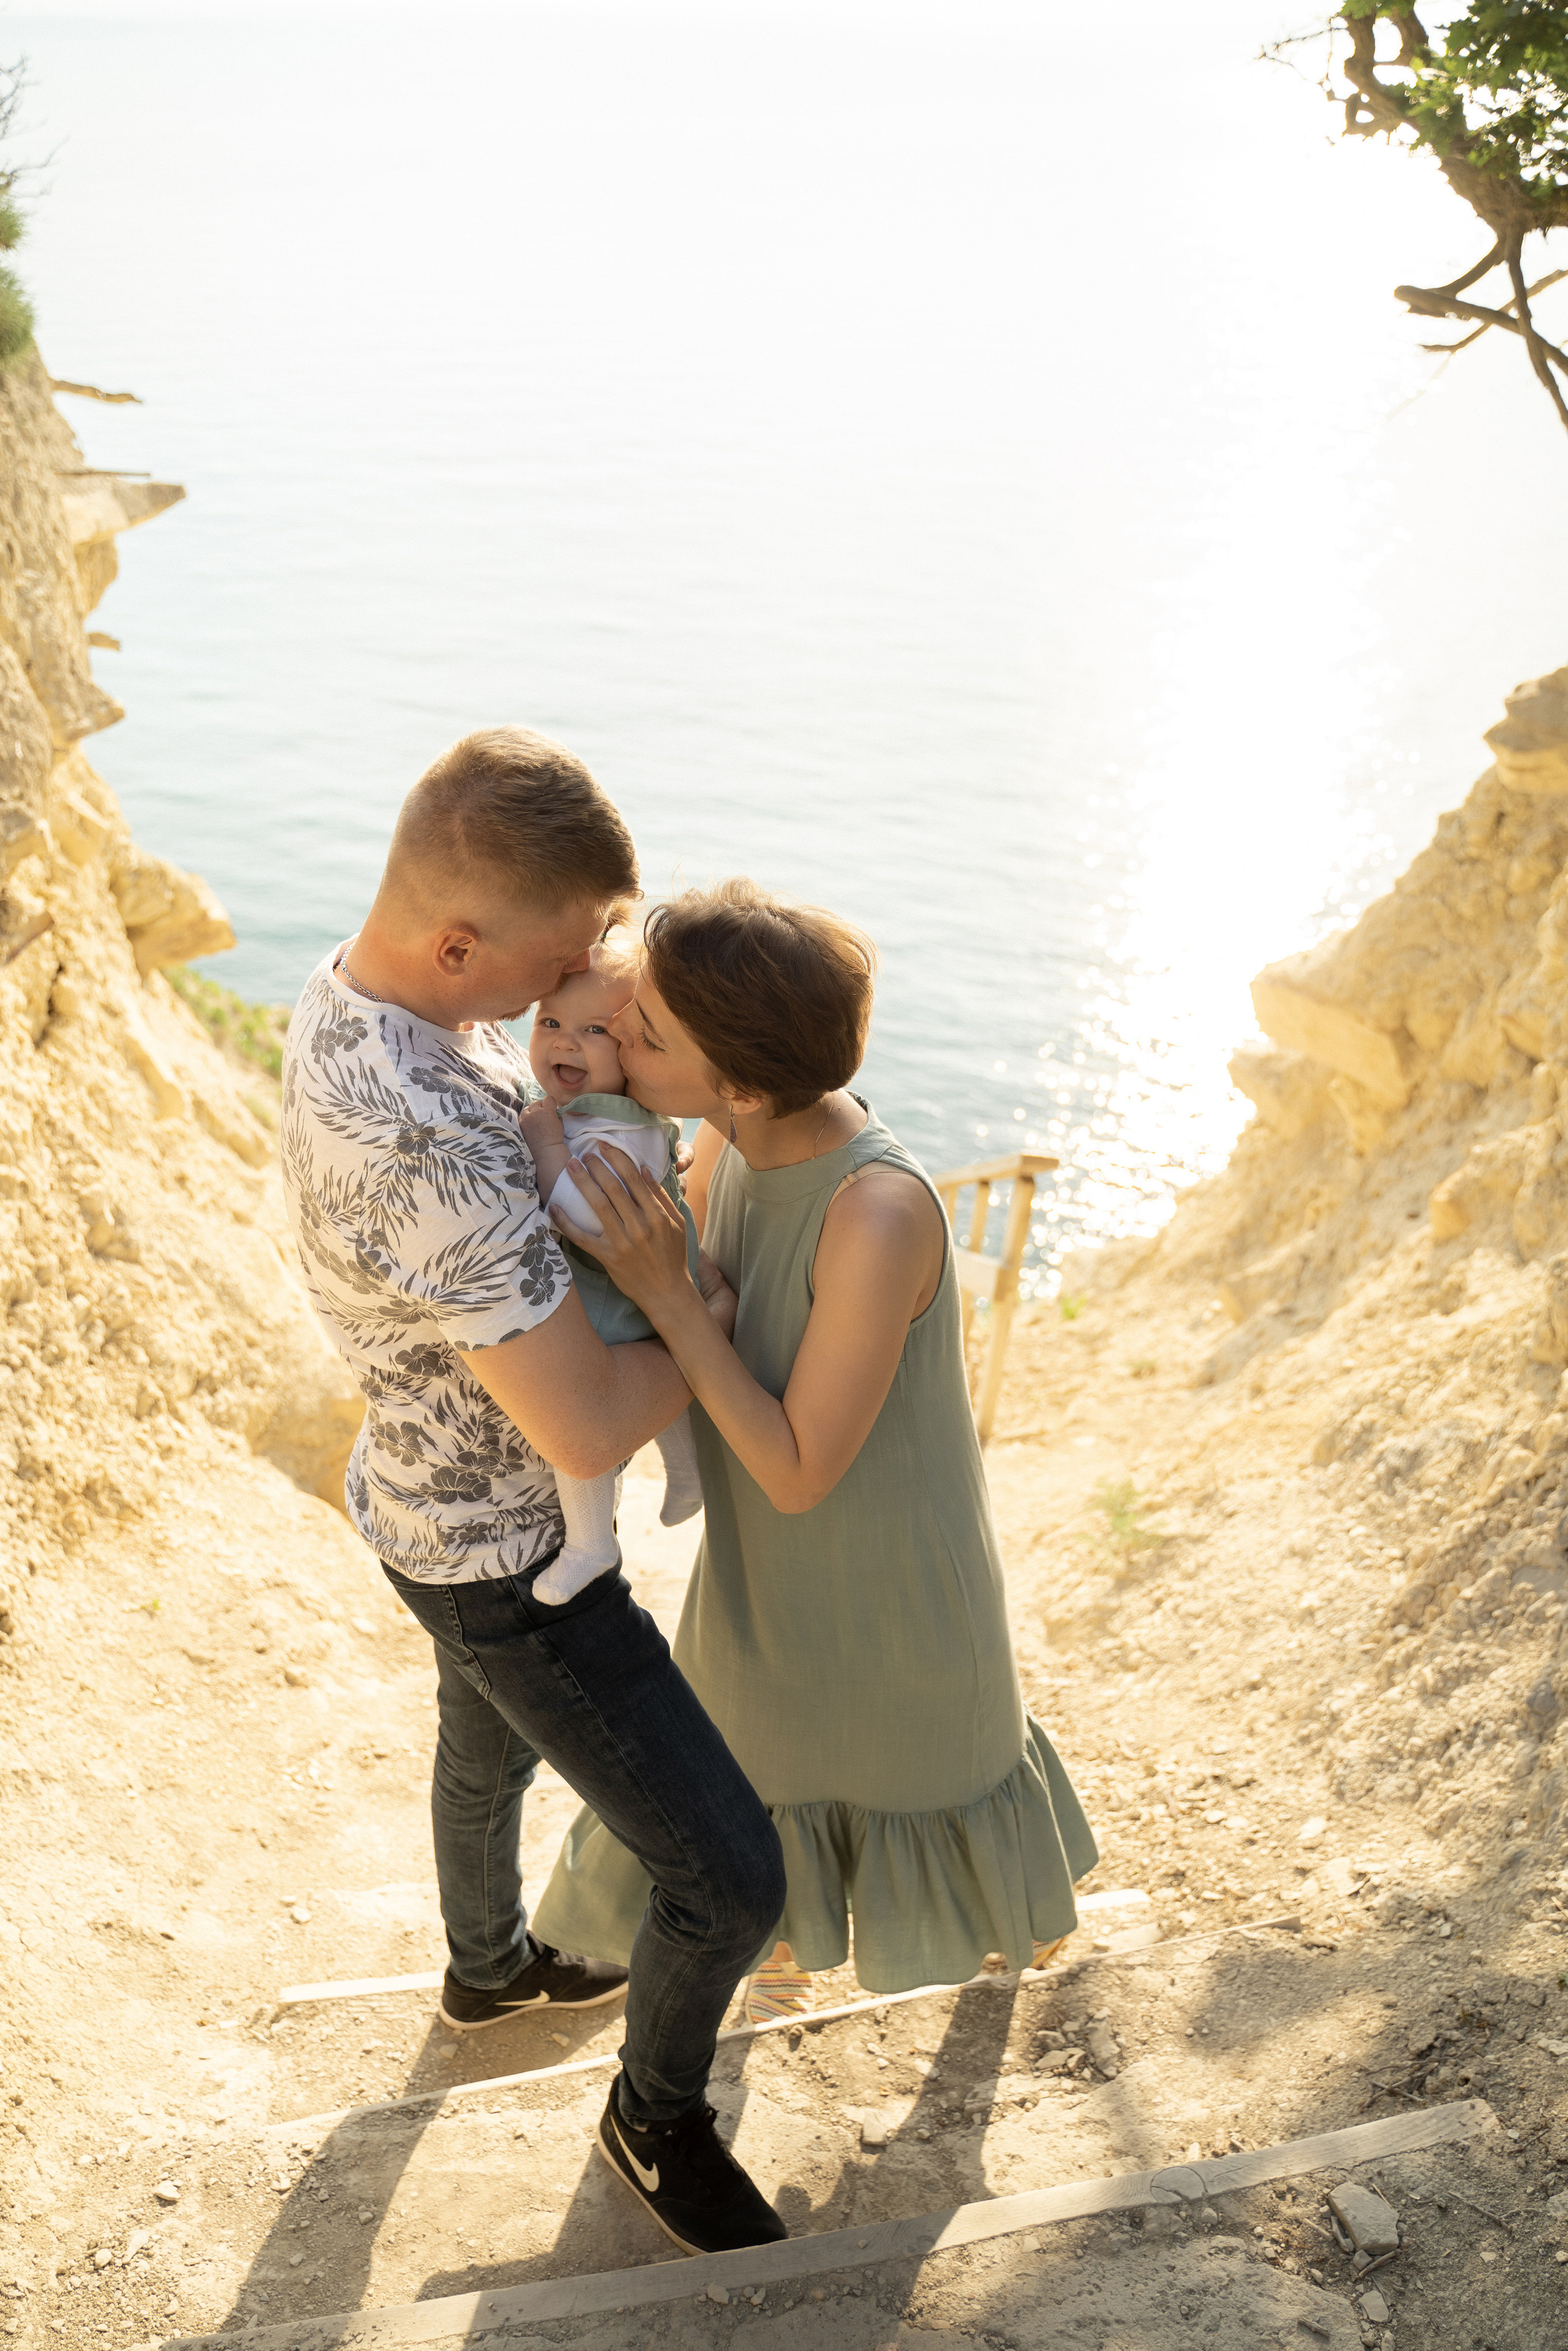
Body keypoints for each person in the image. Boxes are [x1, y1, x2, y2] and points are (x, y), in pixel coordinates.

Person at [279, 731, 788, 2257]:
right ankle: (654, 2118)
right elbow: (582, 1416)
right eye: (558, 967)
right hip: (509, 1559)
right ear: (459, 944)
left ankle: (487, 1968)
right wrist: (700, 1324)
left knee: (481, 1757)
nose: (575, 1003)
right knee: (724, 1874)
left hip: (417, 1506)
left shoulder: (359, 1001)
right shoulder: (427, 1136)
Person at [531, 878, 1096, 2018]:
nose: (616, 1045)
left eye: (641, 1034)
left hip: (896, 1609)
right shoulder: (720, 1137)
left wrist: (667, 1294)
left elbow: (795, 1469)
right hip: (761, 1599)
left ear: (740, 1080)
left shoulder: (874, 1212)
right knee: (730, 1815)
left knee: (859, 1814)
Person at [518, 927, 704, 1605]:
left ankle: (593, 1540)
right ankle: (689, 1474)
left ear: (631, 1048)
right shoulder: (606, 1112)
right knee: (673, 1380)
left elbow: (590, 1220)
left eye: (595, 1029)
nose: (565, 1040)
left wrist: (543, 1147)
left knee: (582, 1429)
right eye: (550, 1021)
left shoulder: (611, 1129)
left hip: (609, 1300)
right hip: (641, 1299)